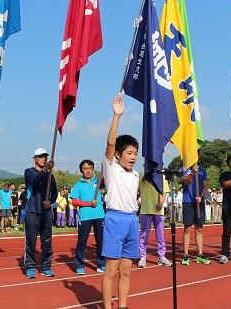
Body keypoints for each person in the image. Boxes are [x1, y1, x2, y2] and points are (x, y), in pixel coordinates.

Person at [101, 96, 140, 309]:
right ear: (118, 155)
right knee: (111, 270)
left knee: (126, 270)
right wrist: (116, 116)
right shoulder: (112, 168)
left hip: (131, 221)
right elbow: (110, 143)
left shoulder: (135, 174)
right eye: (129, 153)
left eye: (135, 153)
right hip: (115, 220)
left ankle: (123, 305)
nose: (133, 157)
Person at [23, 147, 57, 278]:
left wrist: (50, 201)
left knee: (47, 240)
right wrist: (45, 170)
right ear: (34, 158)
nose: (44, 159)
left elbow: (54, 193)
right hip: (32, 210)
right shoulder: (29, 172)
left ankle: (46, 266)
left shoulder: (50, 176)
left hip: (46, 211)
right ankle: (30, 266)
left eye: (45, 156)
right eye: (41, 156)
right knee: (31, 240)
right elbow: (34, 180)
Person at [70, 160, 106, 275]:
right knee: (82, 242)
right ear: (81, 170)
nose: (88, 170)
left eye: (90, 168)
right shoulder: (78, 185)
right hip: (85, 217)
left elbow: (107, 178)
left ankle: (101, 264)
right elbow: (74, 201)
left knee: (101, 241)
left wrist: (104, 167)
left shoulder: (98, 182)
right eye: (85, 168)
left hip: (99, 215)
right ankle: (80, 265)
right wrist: (89, 204)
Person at [137, 177, 172, 268]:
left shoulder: (162, 177)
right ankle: (142, 257)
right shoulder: (142, 177)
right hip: (146, 210)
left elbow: (164, 192)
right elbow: (137, 190)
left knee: (160, 235)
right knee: (144, 235)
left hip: (158, 211)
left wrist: (161, 203)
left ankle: (161, 256)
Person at [180, 165, 211, 265]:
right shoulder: (184, 169)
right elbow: (186, 181)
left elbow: (206, 185)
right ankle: (185, 255)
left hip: (199, 202)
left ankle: (200, 255)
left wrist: (202, 196)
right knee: (187, 228)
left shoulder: (202, 170)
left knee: (199, 229)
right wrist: (192, 172)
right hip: (188, 201)